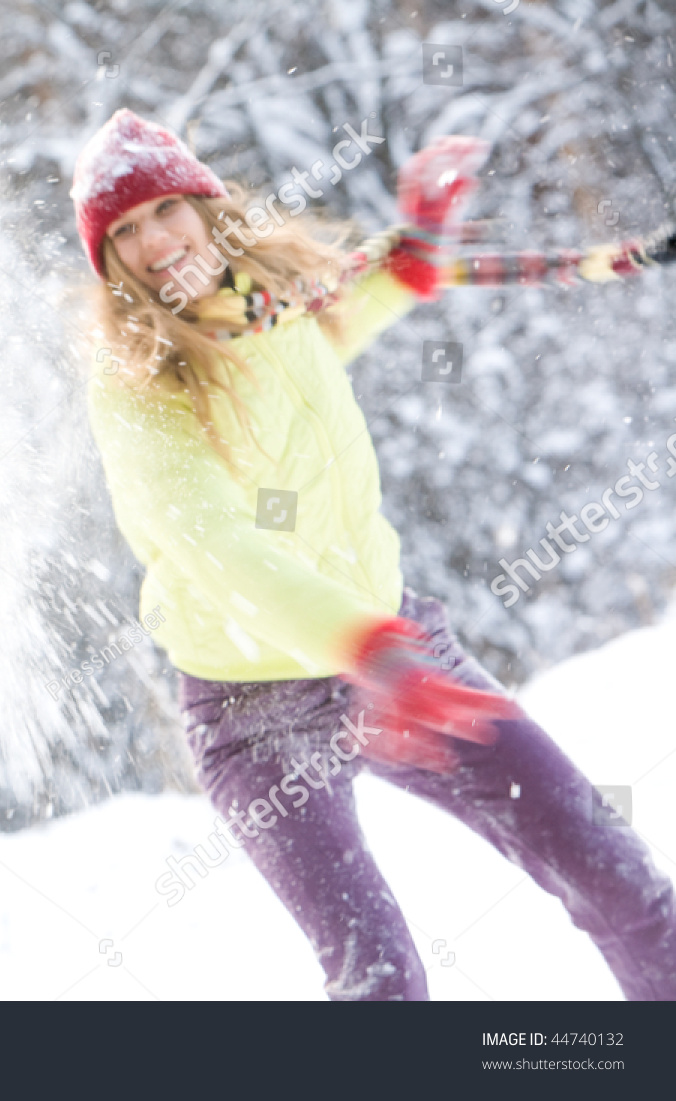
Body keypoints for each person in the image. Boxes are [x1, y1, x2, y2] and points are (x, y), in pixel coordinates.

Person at [74, 108, 676, 999]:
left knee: (615, 875)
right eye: (123, 232)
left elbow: (324, 332)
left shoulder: (269, 303)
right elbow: (217, 546)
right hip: (257, 710)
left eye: (163, 209)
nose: (153, 241)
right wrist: (366, 648)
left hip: (395, 645)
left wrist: (419, 247)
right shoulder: (137, 385)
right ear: (109, 263)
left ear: (205, 203)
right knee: (381, 978)